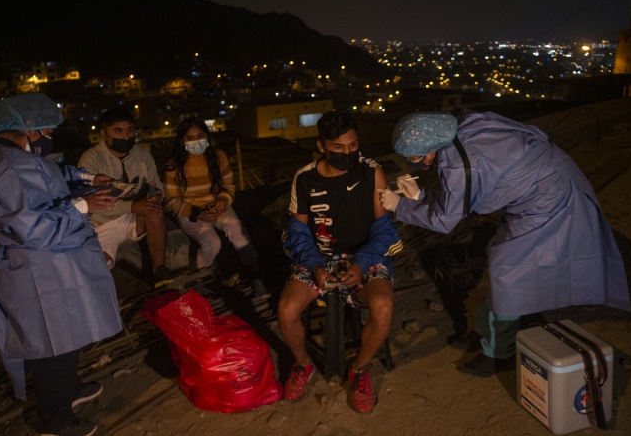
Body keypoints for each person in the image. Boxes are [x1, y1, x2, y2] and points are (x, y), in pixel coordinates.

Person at [379, 111, 631, 377]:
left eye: (415, 158)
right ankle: (486, 334)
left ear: (430, 148)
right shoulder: (467, 127)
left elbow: (445, 219)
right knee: (501, 264)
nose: (416, 163)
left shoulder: (458, 163)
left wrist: (400, 206)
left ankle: (498, 353)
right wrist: (421, 195)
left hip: (549, 203)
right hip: (546, 185)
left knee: (509, 277)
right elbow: (465, 195)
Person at [0, 93, 123, 436]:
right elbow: (31, 227)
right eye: (48, 129)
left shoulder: (11, 156)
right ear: (29, 129)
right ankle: (55, 423)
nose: (49, 136)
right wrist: (83, 206)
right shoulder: (7, 166)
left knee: (69, 335)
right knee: (53, 345)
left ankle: (68, 390)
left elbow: (47, 174)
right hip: (41, 266)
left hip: (55, 261)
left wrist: (84, 179)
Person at [277, 110, 402, 413]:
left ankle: (358, 370)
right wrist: (316, 265)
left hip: (364, 257)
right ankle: (303, 364)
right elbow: (297, 231)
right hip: (319, 257)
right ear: (321, 145)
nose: (348, 154)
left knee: (383, 306)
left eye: (353, 146)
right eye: (338, 148)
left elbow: (385, 230)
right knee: (286, 310)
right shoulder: (305, 178)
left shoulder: (372, 173)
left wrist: (361, 263)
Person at [162, 117, 268, 298]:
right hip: (191, 212)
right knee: (212, 242)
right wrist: (197, 213)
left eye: (200, 136)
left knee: (239, 234)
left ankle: (256, 278)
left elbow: (229, 186)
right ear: (182, 141)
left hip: (217, 207)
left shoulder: (218, 157)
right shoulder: (174, 165)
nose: (196, 141)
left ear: (207, 137)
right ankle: (201, 282)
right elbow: (172, 200)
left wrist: (222, 203)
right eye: (190, 138)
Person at [78, 107, 176, 287]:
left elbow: (155, 183)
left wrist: (157, 195)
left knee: (155, 211)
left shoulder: (142, 155)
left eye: (130, 130)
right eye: (118, 131)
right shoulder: (91, 158)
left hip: (132, 218)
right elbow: (94, 201)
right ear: (103, 134)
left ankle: (160, 270)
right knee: (95, 270)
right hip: (100, 224)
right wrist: (133, 207)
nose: (125, 137)